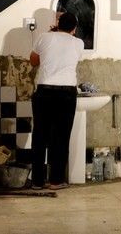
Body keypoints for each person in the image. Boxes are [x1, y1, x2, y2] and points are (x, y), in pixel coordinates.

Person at [29, 12, 84, 190]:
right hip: (67, 93)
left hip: (44, 90)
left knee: (40, 136)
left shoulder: (44, 37)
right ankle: (55, 181)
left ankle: (37, 182)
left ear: (57, 23)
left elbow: (33, 61)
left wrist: (51, 35)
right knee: (61, 137)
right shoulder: (79, 43)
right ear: (74, 28)